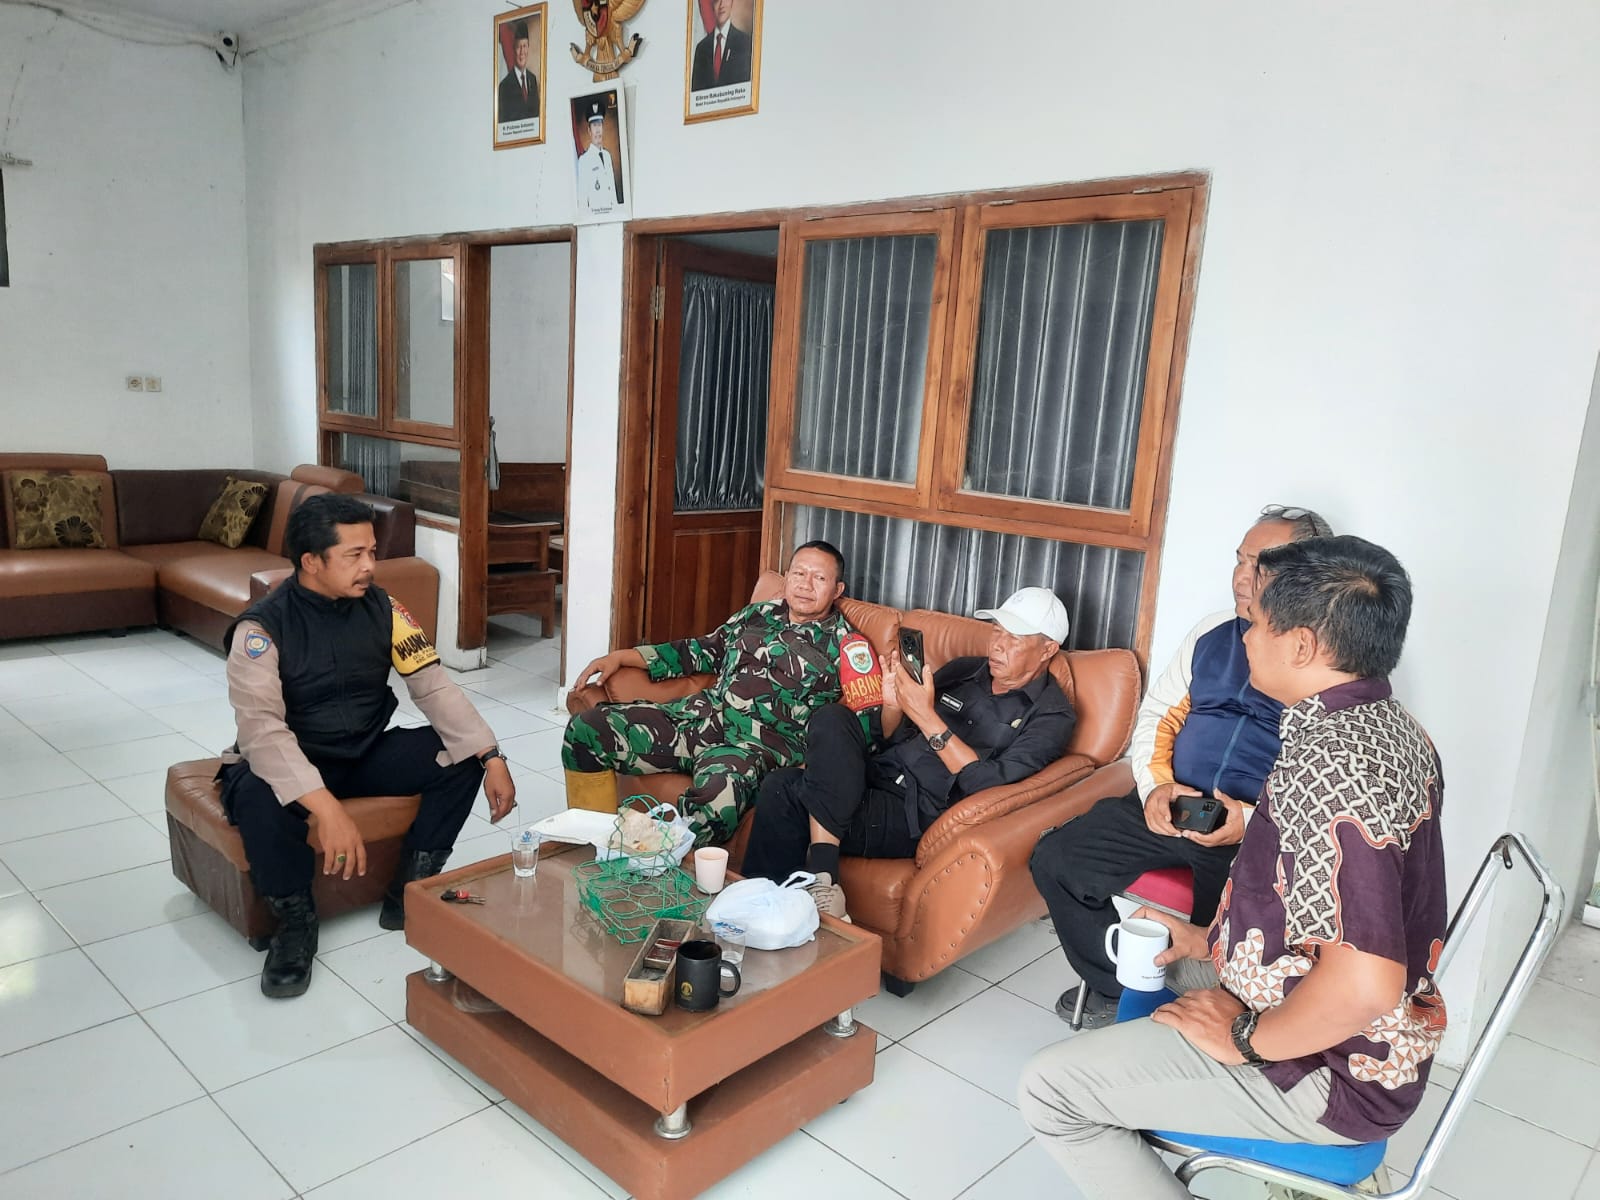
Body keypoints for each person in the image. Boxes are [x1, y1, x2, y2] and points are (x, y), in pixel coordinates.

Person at [1019, 535, 1447, 1200]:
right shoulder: (1393, 728)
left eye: (1261, 622)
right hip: (1297, 992)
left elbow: (1365, 985)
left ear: (1301, 645)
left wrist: (1247, 1039)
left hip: (1336, 1068)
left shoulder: (1332, 772)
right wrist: (1210, 941)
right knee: (1153, 951)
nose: (1246, 634)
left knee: (1049, 1091)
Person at [1029, 504, 1332, 1028]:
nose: (1242, 577)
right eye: (1240, 560)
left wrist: (1251, 819)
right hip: (1173, 803)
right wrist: (1156, 788)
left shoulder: (1325, 657)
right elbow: (1158, 716)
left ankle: (1212, 1015)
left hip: (1253, 830)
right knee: (1056, 858)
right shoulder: (1213, 633)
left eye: (1261, 565)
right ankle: (1118, 986)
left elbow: (1319, 774)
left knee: (1240, 924)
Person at [221, 494, 516, 1000]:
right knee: (254, 796)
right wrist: (326, 807)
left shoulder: (386, 608)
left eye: (373, 552)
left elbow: (434, 686)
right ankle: (295, 925)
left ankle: (408, 891)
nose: (370, 566)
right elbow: (262, 733)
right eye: (354, 555)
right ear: (311, 561)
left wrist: (491, 756)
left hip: (361, 751)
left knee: (458, 756)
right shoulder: (260, 629)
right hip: (293, 760)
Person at [741, 587, 1078, 920]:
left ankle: (792, 896)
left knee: (784, 790)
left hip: (913, 811)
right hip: (875, 773)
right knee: (831, 719)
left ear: (1047, 649)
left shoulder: (1051, 717)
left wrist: (927, 717)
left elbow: (985, 783)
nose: (997, 645)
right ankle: (788, 901)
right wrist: (893, 707)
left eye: (1014, 638)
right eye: (996, 631)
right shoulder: (965, 670)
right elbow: (890, 737)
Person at [562, 541, 852, 846]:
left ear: (837, 589)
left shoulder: (847, 647)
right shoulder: (759, 614)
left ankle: (659, 866)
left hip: (749, 749)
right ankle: (592, 845)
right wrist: (623, 656)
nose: (805, 584)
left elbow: (855, 728)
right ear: (787, 577)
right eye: (799, 573)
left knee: (715, 811)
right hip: (695, 719)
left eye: (819, 578)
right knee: (586, 730)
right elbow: (702, 650)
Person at [690, 0, 753, 90]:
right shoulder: (701, 48)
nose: (721, 5)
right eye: (717, 1)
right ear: (711, 5)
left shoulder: (744, 43)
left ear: (732, 2)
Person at [576, 104, 620, 213]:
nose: (597, 130)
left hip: (612, 214)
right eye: (594, 126)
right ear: (589, 131)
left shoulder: (607, 155)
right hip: (596, 217)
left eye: (599, 125)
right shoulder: (584, 160)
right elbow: (582, 200)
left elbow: (612, 191)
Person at [497, 21, 540, 124]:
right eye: (518, 47)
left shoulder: (532, 80)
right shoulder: (504, 86)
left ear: (528, 48)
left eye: (524, 46)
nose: (521, 52)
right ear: (513, 49)